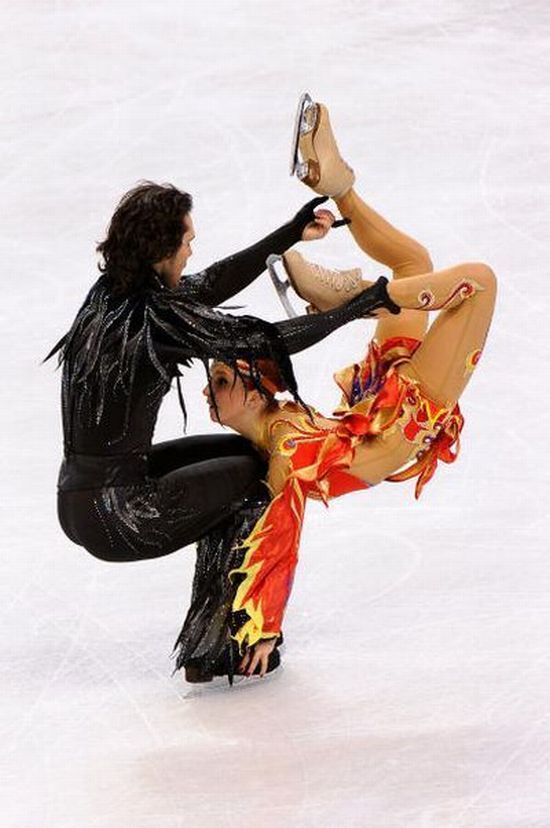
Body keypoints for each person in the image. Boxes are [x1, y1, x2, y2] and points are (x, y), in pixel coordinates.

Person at [47, 180, 401, 677]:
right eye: (186, 240)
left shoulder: (114, 294)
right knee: (258, 482)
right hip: (119, 511)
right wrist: (354, 309)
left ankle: (213, 641)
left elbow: (209, 283)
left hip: (88, 494)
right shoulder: (152, 318)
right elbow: (264, 339)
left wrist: (288, 235)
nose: (192, 249)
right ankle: (222, 646)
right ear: (160, 249)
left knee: (256, 457)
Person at [198, 98, 496, 679]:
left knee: (420, 264)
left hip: (378, 408)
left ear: (259, 392)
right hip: (398, 422)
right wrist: (266, 628)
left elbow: (282, 533)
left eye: (222, 379)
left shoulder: (281, 437)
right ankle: (368, 296)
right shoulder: (284, 446)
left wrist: (268, 625)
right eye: (216, 379)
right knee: (475, 282)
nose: (210, 393)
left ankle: (337, 186)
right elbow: (281, 539)